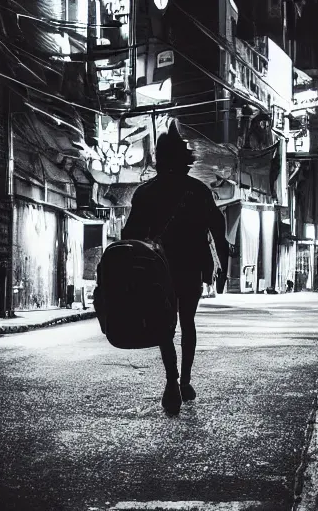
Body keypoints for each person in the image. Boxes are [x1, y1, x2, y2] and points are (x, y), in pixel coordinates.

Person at [121, 121, 229, 415]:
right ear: (186, 161)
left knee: (163, 325)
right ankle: (187, 381)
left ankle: (172, 379)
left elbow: (127, 236)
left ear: (158, 158)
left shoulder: (145, 193)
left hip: (157, 269)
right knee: (187, 322)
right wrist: (223, 270)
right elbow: (218, 229)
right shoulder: (198, 191)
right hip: (192, 267)